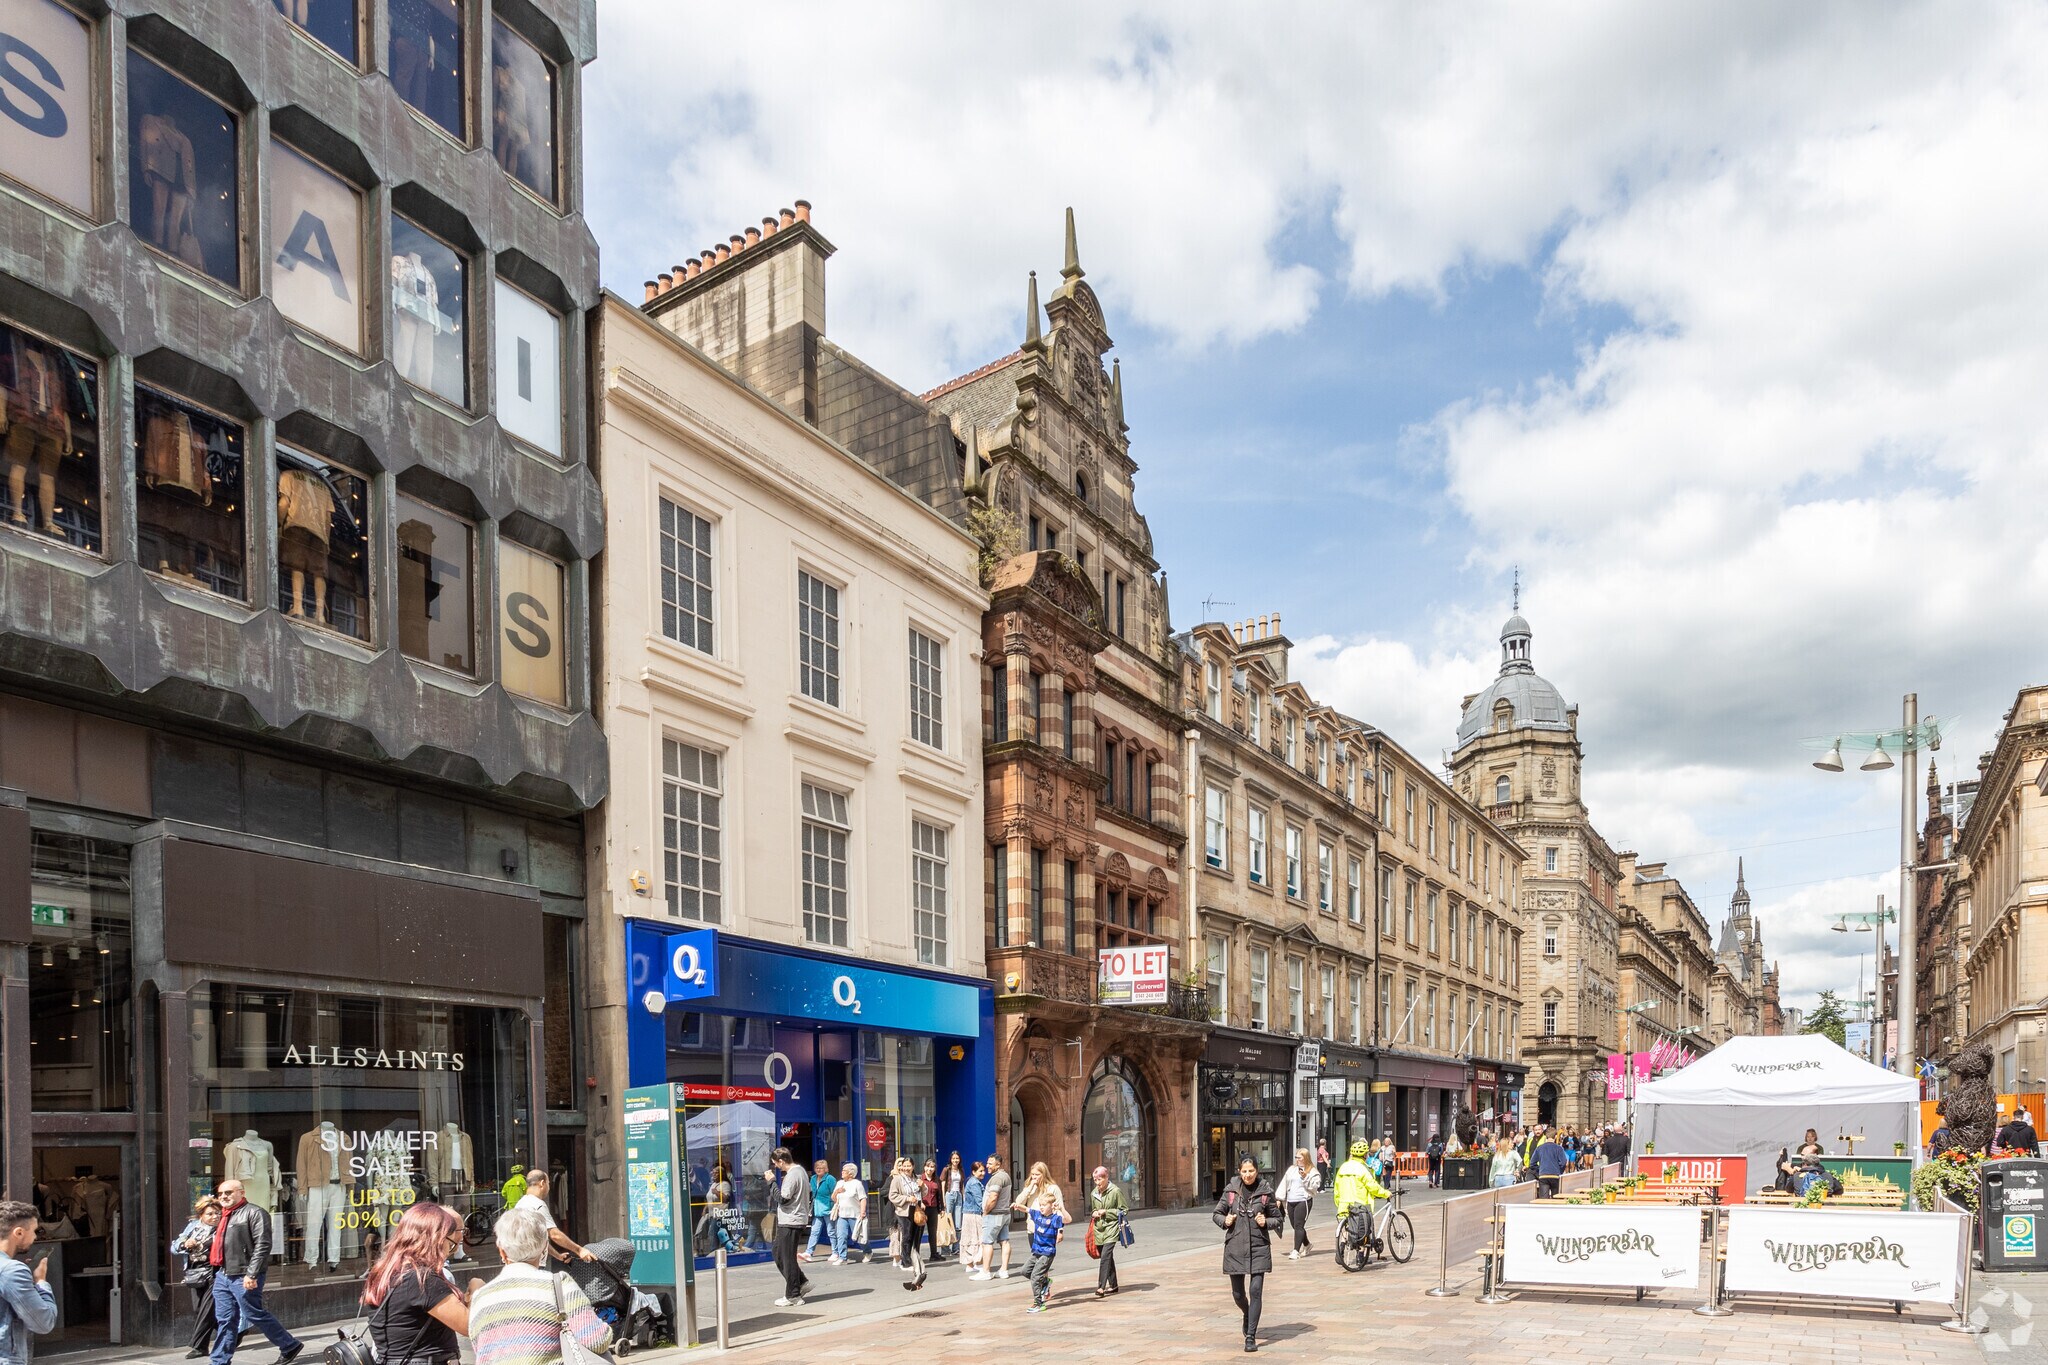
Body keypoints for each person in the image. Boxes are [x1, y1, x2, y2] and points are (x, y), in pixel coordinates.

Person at [468, 1209, 613, 1365]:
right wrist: (606, 1329)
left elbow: (481, 1350)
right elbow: (596, 1340)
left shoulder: (480, 1297)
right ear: (545, 1248)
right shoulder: (559, 1284)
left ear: (501, 1251)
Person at [363, 1203, 473, 1365]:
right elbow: (469, 1326)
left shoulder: (384, 1272)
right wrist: (476, 1289)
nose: (448, 1250)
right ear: (435, 1240)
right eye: (449, 1243)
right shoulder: (422, 1280)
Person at [208, 1179, 303, 1365]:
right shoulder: (224, 1215)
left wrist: (251, 1274)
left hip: (244, 1274)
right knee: (225, 1319)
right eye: (220, 1194)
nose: (224, 1197)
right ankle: (219, 1360)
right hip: (223, 1274)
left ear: (241, 1193)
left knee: (254, 1314)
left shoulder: (255, 1212)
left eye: (228, 1192)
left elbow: (263, 1245)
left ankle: (289, 1345)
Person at [1215, 1158, 1277, 1355]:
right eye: (1244, 1171)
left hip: (1259, 1247)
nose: (1248, 1174)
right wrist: (1225, 1220)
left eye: (1251, 1171)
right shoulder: (1231, 1191)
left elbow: (1278, 1218)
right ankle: (1247, 1313)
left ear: (1257, 1171)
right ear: (1239, 1171)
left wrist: (1265, 1221)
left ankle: (1251, 1336)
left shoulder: (1266, 1191)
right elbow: (1216, 1213)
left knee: (1256, 1290)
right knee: (1238, 1295)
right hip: (1235, 1247)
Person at [1, 1200, 58, 1365]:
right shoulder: (12, 1271)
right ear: (18, 1232)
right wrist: (41, 1282)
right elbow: (43, 1323)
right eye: (34, 1231)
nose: (35, 1236)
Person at [171, 1196, 223, 1359]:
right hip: (195, 1272)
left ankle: (199, 1346)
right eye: (210, 1214)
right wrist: (184, 1245)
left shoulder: (222, 1228)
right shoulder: (192, 1227)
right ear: (201, 1215)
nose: (215, 1217)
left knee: (207, 1309)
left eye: (217, 1213)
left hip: (214, 1272)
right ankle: (234, 1331)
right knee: (199, 1309)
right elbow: (174, 1247)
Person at [513, 1170, 595, 1265]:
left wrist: (558, 1256)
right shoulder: (537, 1205)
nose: (549, 1187)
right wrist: (580, 1250)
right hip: (532, 1264)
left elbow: (540, 1240)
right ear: (542, 1183)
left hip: (521, 1262)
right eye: (548, 1183)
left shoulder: (521, 1203)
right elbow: (554, 1235)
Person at [1330, 1141, 1390, 1268]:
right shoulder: (1364, 1169)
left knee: (1347, 1228)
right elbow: (1372, 1186)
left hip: (1344, 1203)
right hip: (1360, 1204)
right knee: (1363, 1229)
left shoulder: (1343, 1167)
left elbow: (1337, 1187)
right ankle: (1360, 1257)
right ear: (1365, 1155)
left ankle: (1340, 1250)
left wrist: (1339, 1202)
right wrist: (1385, 1193)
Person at [767, 1147, 813, 1306]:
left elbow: (783, 1198)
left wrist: (771, 1182)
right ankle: (801, 1283)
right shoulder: (800, 1171)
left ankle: (793, 1295)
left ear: (781, 1161)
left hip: (791, 1221)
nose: (776, 1167)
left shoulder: (793, 1174)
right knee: (779, 1253)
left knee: (787, 1258)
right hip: (794, 1219)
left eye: (775, 1163)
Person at [972, 1153, 1014, 1281]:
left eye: (990, 1163)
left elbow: (993, 1197)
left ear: (998, 1164)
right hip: (1005, 1214)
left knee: (987, 1243)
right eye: (987, 1163)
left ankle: (985, 1271)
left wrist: (985, 1211)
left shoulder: (996, 1179)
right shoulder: (1006, 1176)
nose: (987, 1166)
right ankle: (1004, 1270)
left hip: (994, 1215)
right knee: (1005, 1241)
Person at [1087, 1167, 1128, 1297]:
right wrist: (1094, 1213)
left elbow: (1124, 1210)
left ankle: (1101, 1287)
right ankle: (1114, 1285)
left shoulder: (1115, 1191)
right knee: (1107, 1257)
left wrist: (1107, 1212)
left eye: (1099, 1179)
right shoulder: (1094, 1193)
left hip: (1112, 1227)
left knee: (1105, 1256)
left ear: (1106, 1178)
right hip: (1099, 1229)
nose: (1097, 1182)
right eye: (1095, 1180)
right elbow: (1093, 1209)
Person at [887, 1157, 927, 1290]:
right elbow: (892, 1196)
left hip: (916, 1211)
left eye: (909, 1166)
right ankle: (906, 1262)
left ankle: (915, 1260)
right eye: (904, 1166)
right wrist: (907, 1198)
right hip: (904, 1211)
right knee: (907, 1236)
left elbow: (924, 1193)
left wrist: (923, 1187)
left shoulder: (917, 1178)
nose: (906, 1168)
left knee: (916, 1237)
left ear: (913, 1166)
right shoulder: (897, 1179)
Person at [1024, 1189, 1066, 1314]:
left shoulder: (1055, 1218)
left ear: (1051, 1206)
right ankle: (1045, 1282)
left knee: (1035, 1276)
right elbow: (1026, 1209)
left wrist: (1060, 1232)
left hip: (1047, 1252)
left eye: (1044, 1205)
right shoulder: (1037, 1215)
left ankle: (1038, 1303)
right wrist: (1016, 1205)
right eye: (1040, 1205)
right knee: (1025, 1271)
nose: (1041, 1207)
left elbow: (1065, 1221)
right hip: (1036, 1251)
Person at [1276, 1148, 1320, 1258]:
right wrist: (1279, 1198)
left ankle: (1296, 1250)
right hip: (1291, 1200)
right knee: (1295, 1225)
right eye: (1296, 1157)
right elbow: (1284, 1183)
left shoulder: (1312, 1171)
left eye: (1299, 1157)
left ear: (1305, 1158)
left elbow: (1315, 1187)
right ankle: (1307, 1244)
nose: (1297, 1159)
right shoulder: (1291, 1169)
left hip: (1303, 1200)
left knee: (1299, 1225)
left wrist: (1306, 1177)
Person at [826, 1163, 863, 1264]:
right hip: (842, 1214)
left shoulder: (857, 1183)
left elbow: (862, 1198)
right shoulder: (839, 1183)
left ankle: (867, 1250)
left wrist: (863, 1212)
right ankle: (842, 1257)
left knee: (860, 1236)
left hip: (855, 1214)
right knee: (841, 1235)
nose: (842, 1172)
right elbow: (833, 1199)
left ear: (851, 1173)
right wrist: (837, 1191)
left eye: (844, 1171)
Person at [800, 1161, 836, 1262]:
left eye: (821, 1168)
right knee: (814, 1231)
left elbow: (835, 1194)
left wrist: (833, 1206)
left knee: (831, 1232)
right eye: (817, 1168)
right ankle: (808, 1252)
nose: (819, 1169)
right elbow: (811, 1192)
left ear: (826, 1169)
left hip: (828, 1209)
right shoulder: (813, 1178)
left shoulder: (830, 1179)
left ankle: (835, 1252)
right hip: (817, 1209)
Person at [958, 1161, 986, 1274]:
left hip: (971, 1213)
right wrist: (986, 1211)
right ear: (974, 1172)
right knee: (974, 1238)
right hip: (973, 1214)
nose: (983, 1173)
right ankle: (972, 1264)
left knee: (972, 1238)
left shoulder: (974, 1181)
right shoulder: (974, 1183)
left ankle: (972, 1264)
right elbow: (980, 1201)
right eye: (980, 1171)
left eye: (983, 1170)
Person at [918, 1159, 945, 1263]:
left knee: (932, 1232)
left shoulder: (936, 1179)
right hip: (922, 1209)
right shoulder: (920, 1179)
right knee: (919, 1232)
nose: (930, 1169)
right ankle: (917, 1254)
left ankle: (933, 1254)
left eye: (932, 1167)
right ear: (924, 1167)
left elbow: (939, 1195)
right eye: (928, 1166)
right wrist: (920, 1203)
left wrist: (941, 1208)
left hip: (933, 1208)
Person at [942, 1152, 966, 1260]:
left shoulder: (961, 1170)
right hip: (949, 1194)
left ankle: (956, 1248)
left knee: (958, 1224)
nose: (955, 1160)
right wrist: (944, 1200)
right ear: (950, 1159)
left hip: (958, 1195)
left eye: (957, 1158)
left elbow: (962, 1185)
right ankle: (945, 1249)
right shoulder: (947, 1169)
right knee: (947, 1222)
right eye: (953, 1158)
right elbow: (943, 1184)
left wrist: (963, 1196)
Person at [1532, 1130, 1567, 1199]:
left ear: (1546, 1136)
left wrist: (1539, 1170)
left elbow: (1532, 1163)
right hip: (1555, 1175)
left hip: (1543, 1175)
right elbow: (1563, 1162)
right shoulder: (1559, 1148)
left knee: (1544, 1199)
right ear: (1556, 1136)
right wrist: (1559, 1171)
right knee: (1556, 1198)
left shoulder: (1539, 1148)